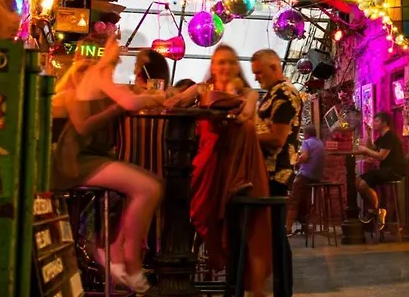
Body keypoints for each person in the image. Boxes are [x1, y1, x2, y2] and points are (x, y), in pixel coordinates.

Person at [51, 33, 166, 294]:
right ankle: (131, 262)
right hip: (76, 160)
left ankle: (112, 250)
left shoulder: (102, 76)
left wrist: (152, 97)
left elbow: (129, 97)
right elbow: (123, 105)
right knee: (149, 188)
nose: (120, 52)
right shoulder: (93, 75)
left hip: (94, 157)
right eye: (115, 46)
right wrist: (149, 99)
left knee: (151, 185)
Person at [166, 44, 271, 297]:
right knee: (186, 207)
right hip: (210, 166)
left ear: (237, 67)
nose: (225, 67)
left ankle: (253, 289)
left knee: (253, 225)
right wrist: (185, 94)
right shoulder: (202, 90)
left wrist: (234, 98)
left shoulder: (248, 93)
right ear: (212, 66)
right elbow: (171, 104)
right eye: (220, 62)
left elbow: (245, 116)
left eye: (230, 62)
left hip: (243, 165)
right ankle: (182, 278)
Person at [252, 49, 302, 296]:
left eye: (259, 72)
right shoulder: (274, 93)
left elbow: (277, 138)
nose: (256, 77)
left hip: (275, 173)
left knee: (275, 234)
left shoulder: (284, 94)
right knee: (272, 233)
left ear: (274, 67)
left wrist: (245, 136)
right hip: (266, 172)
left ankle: (283, 290)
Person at [353, 111, 406, 230]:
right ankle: (373, 210)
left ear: (384, 123)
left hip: (393, 171)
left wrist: (365, 150)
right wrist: (368, 134)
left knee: (363, 184)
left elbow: (381, 156)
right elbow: (371, 148)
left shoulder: (389, 137)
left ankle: (376, 211)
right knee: (357, 181)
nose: (374, 123)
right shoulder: (382, 137)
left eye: (377, 121)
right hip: (384, 170)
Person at [287, 125, 326, 234]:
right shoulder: (320, 143)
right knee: (304, 197)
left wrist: (297, 161)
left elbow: (304, 157)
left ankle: (288, 228)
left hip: (306, 175)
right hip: (317, 177)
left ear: (306, 134)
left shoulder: (307, 142)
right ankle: (305, 224)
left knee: (293, 199)